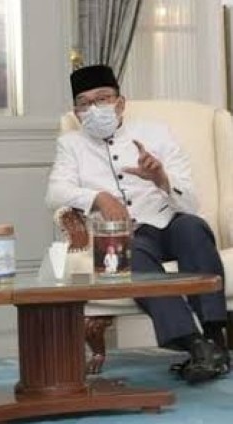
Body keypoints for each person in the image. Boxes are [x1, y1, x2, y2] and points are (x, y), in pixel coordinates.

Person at [45, 64, 229, 384]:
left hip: (167, 220)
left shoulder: (155, 132)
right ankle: (196, 345)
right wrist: (98, 197)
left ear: (120, 103)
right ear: (76, 112)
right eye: (84, 103)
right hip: (121, 235)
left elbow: (191, 202)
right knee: (128, 254)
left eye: (103, 99)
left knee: (193, 227)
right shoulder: (71, 144)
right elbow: (55, 193)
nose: (94, 109)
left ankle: (214, 334)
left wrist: (161, 178)